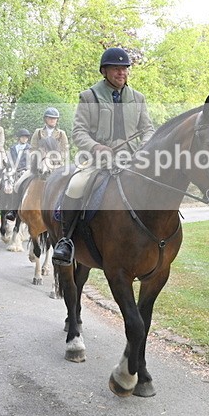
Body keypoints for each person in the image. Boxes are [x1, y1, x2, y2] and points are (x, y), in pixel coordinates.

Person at [52, 47, 155, 266]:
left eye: (125, 69)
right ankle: (66, 241)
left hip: (132, 159)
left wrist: (145, 147)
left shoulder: (138, 98)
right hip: (97, 160)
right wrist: (97, 147)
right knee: (76, 185)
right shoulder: (89, 97)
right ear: (104, 71)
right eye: (116, 69)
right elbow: (78, 132)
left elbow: (147, 129)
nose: (122, 73)